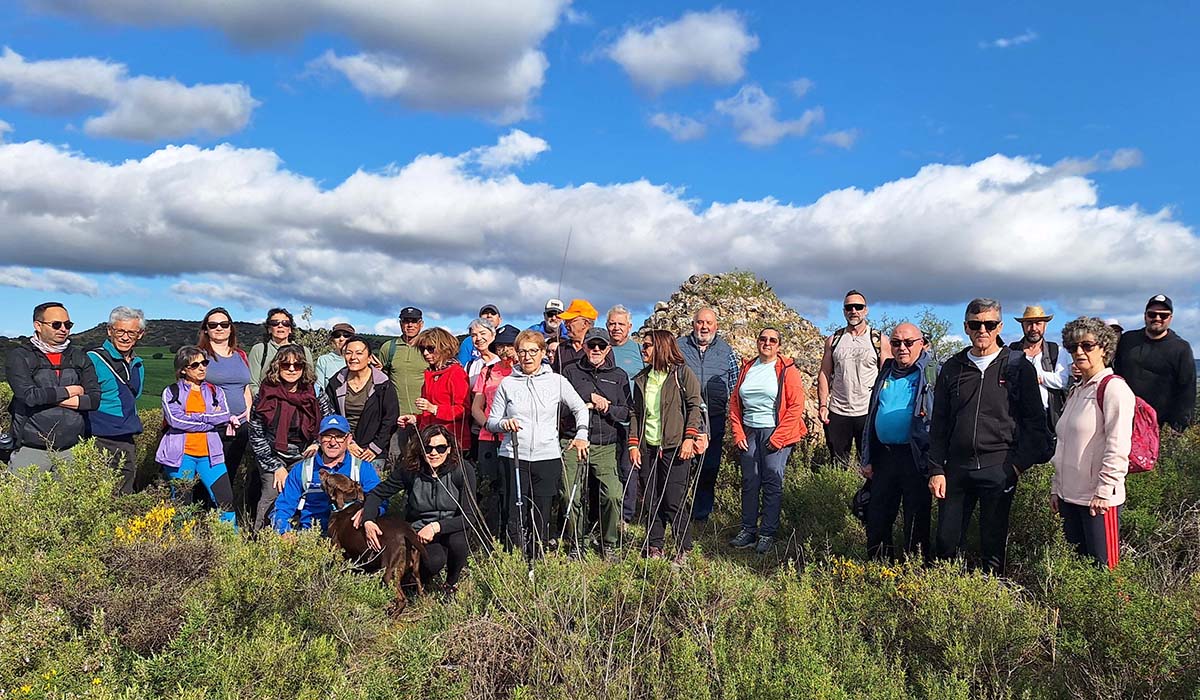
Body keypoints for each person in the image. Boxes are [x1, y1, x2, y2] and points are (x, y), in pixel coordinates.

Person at [928, 299, 1051, 574]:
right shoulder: (952, 367)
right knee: (946, 542)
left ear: (1000, 327)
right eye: (975, 324)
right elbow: (939, 422)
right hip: (956, 468)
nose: (982, 330)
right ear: (966, 328)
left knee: (993, 544)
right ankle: (949, 598)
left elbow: (1035, 423)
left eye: (989, 324)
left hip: (1000, 467)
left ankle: (994, 602)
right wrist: (936, 468)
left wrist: (1017, 466)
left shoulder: (1018, 366)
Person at [485, 330, 589, 558]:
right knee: (513, 511)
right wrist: (504, 423)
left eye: (533, 351)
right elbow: (491, 422)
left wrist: (581, 433)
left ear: (543, 352)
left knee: (542, 512)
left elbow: (580, 407)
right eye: (522, 351)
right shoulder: (507, 384)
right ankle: (514, 560)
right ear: (516, 354)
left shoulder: (556, 381)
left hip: (547, 456)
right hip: (513, 456)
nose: (527, 357)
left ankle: (538, 557)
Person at [357, 425, 481, 594]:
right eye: (428, 448)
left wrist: (436, 527)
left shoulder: (462, 470)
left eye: (441, 448)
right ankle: (414, 582)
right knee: (434, 561)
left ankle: (450, 584)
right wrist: (369, 519)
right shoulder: (410, 469)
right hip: (419, 529)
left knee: (458, 542)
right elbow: (377, 493)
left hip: (451, 526)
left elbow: (470, 516)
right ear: (420, 449)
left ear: (449, 449)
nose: (434, 453)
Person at [1051, 317, 1134, 570]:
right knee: (1079, 572)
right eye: (1073, 346)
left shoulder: (1113, 389)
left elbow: (1118, 446)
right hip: (1069, 498)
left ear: (1103, 349)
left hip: (1098, 501)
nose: (1079, 352)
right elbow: (1064, 443)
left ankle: (1115, 612)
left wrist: (1104, 490)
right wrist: (1057, 488)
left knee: (1105, 573)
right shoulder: (1077, 390)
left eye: (1087, 345)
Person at [859, 323, 936, 562]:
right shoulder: (886, 370)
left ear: (921, 343)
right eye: (895, 343)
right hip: (885, 455)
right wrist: (867, 455)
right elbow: (873, 413)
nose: (902, 347)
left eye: (908, 342)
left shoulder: (933, 372)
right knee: (878, 514)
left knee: (916, 518)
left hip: (916, 455)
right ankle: (880, 567)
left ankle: (915, 570)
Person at [727, 327, 807, 554]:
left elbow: (795, 406)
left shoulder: (786, 369)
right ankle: (748, 530)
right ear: (757, 341)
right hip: (750, 430)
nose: (767, 343)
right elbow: (734, 403)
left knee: (772, 482)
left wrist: (778, 438)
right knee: (750, 482)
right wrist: (738, 433)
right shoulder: (748, 368)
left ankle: (767, 533)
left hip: (776, 431)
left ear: (779, 345)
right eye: (763, 339)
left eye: (773, 340)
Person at [628, 330, 704, 562]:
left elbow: (694, 406)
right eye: (644, 346)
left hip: (675, 446)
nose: (644, 350)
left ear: (661, 347)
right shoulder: (643, 378)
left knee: (673, 499)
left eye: (648, 346)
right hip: (648, 447)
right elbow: (635, 412)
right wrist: (633, 444)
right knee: (652, 498)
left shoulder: (682, 374)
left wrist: (689, 438)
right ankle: (655, 546)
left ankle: (684, 548)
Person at [560, 327, 632, 558]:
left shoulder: (619, 375)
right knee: (570, 494)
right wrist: (587, 399)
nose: (597, 350)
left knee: (612, 494)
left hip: (606, 444)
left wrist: (608, 408)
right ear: (584, 346)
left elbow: (627, 412)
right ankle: (576, 543)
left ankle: (609, 541)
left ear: (608, 348)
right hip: (572, 441)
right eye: (592, 345)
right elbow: (559, 406)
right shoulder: (569, 371)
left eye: (601, 346)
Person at [5, 302, 101, 471]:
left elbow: (93, 400)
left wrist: (46, 397)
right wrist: (70, 391)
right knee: (24, 498)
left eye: (67, 324)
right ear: (38, 325)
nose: (63, 329)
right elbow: (29, 396)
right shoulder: (20, 356)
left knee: (70, 498)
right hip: (31, 450)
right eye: (56, 324)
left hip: (73, 449)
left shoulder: (79, 357)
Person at [247, 344, 325, 530]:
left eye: (297, 365)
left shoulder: (314, 392)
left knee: (306, 495)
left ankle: (301, 539)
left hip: (304, 454)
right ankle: (262, 539)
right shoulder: (265, 394)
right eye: (285, 365)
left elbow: (326, 422)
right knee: (272, 493)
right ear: (277, 367)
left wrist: (316, 444)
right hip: (273, 453)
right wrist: (276, 466)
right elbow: (256, 433)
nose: (291, 369)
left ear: (303, 368)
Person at [155, 346, 236, 524]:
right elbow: (176, 421)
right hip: (180, 456)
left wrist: (193, 416)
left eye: (204, 363)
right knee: (182, 503)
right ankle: (183, 546)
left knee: (225, 500)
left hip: (211, 456)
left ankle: (231, 545)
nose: (202, 368)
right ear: (183, 369)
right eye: (195, 365)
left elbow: (223, 416)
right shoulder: (171, 392)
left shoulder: (216, 392)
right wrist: (209, 420)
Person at [818, 290, 891, 468]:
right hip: (838, 411)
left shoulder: (879, 340)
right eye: (849, 307)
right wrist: (822, 405)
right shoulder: (834, 340)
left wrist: (885, 408)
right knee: (837, 464)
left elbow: (887, 376)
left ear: (866, 310)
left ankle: (865, 496)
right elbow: (824, 373)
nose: (854, 311)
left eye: (858, 307)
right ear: (844, 311)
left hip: (867, 411)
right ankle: (836, 495)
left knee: (869, 464)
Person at [273, 414, 381, 535]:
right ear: (319, 438)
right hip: (310, 537)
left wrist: (368, 513)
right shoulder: (303, 469)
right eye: (327, 436)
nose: (333, 442)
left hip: (349, 537)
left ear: (349, 439)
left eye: (339, 437)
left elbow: (379, 498)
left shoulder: (361, 468)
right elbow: (283, 506)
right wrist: (284, 532)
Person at [676, 308, 734, 522]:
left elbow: (734, 384)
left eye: (708, 323)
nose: (704, 327)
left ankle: (701, 513)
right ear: (693, 324)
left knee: (709, 466)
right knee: (682, 465)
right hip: (685, 415)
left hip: (715, 417)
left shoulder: (726, 350)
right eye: (700, 322)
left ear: (715, 326)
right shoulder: (679, 346)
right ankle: (678, 509)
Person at [1113, 294, 1195, 432]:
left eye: (1163, 315)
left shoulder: (1181, 348)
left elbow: (1187, 390)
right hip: (1123, 419)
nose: (1157, 318)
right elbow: (1115, 373)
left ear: (1170, 318)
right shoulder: (1128, 340)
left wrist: (1179, 427)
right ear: (1145, 316)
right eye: (1152, 314)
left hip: (1159, 425)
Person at [86, 306, 146, 493]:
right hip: (97, 438)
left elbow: (134, 396)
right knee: (98, 494)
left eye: (131, 332)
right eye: (120, 330)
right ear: (110, 331)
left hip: (126, 438)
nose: (125, 337)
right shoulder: (92, 359)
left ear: (140, 334)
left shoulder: (138, 364)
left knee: (124, 492)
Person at [470, 323, 519, 540]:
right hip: (489, 438)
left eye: (510, 345)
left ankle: (514, 533)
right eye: (500, 346)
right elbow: (475, 407)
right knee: (490, 486)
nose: (505, 351)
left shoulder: (524, 371)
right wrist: (490, 425)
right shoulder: (488, 370)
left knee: (514, 486)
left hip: (517, 438)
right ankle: (490, 536)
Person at [197, 307, 253, 488]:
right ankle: (202, 512)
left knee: (230, 472)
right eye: (213, 325)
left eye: (224, 324)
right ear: (206, 329)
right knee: (208, 475)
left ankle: (221, 513)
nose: (219, 328)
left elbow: (245, 388)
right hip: (212, 427)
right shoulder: (200, 355)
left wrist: (248, 420)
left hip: (240, 426)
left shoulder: (241, 355)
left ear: (231, 328)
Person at [325, 336, 398, 469]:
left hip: (373, 450)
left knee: (368, 486)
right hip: (340, 445)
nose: (353, 357)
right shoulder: (335, 383)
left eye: (359, 353)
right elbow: (330, 416)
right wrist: (347, 443)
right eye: (348, 353)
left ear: (369, 357)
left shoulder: (383, 384)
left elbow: (390, 420)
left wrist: (374, 448)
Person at [399, 327, 472, 452]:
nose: (426, 353)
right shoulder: (430, 374)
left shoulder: (456, 373)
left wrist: (434, 409)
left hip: (451, 443)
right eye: (422, 349)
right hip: (429, 440)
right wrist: (416, 419)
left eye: (430, 349)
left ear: (444, 348)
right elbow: (429, 413)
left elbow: (464, 410)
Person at [1009, 305, 1071, 436]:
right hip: (1017, 417)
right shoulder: (1011, 351)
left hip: (1049, 417)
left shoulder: (1056, 351)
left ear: (1045, 326)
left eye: (1038, 323)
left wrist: (1035, 376)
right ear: (1023, 326)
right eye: (1029, 324)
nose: (1034, 328)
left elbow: (1061, 381)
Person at [378, 307, 426, 460]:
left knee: (424, 460)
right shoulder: (389, 348)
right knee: (396, 460)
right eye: (406, 321)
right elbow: (380, 377)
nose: (410, 325)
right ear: (400, 323)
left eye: (414, 321)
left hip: (423, 417)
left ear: (421, 324)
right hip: (397, 418)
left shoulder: (428, 347)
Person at [247, 307, 313, 396]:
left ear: (290, 329)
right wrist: (266, 401)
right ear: (269, 329)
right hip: (268, 404)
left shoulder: (304, 351)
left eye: (285, 323)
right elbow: (253, 384)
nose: (280, 326)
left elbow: (309, 381)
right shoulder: (259, 350)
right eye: (275, 323)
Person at [553, 299, 598, 372]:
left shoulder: (601, 347)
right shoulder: (561, 348)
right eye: (565, 321)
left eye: (570, 321)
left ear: (585, 324)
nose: (566, 325)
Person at [315, 322, 355, 394]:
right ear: (333, 339)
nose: (341, 338)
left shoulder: (359, 360)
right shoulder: (324, 360)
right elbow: (319, 389)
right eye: (337, 336)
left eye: (346, 335)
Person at [463, 318, 499, 388]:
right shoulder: (469, 366)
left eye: (483, 333)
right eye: (474, 335)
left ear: (493, 335)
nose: (478, 338)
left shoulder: (503, 362)